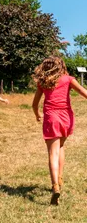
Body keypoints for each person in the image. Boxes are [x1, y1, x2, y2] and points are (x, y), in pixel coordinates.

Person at [32, 56, 87, 205]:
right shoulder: (68, 79)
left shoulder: (43, 82)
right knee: (61, 147)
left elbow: (34, 104)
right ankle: (60, 178)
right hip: (66, 118)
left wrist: (38, 114)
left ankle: (55, 185)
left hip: (51, 118)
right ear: (61, 66)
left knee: (53, 152)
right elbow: (84, 92)